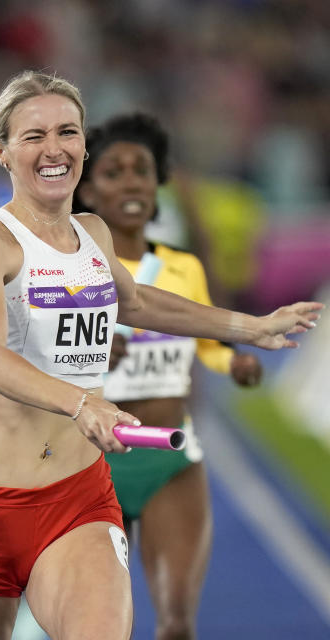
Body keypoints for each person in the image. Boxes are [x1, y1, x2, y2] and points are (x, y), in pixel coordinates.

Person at [0, 70, 321, 640]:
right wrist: (82, 402)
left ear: (84, 144)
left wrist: (247, 326)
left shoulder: (93, 233)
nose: (54, 149)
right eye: (33, 137)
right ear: (2, 152)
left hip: (77, 500)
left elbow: (133, 302)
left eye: (68, 132)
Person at [74, 112, 262, 640]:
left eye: (143, 170)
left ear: (160, 183)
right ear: (87, 187)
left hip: (170, 458)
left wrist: (233, 360)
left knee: (177, 625)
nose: (132, 181)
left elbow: (208, 340)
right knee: (98, 628)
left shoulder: (183, 267)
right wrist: (85, 348)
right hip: (91, 465)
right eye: (115, 172)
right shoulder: (68, 266)